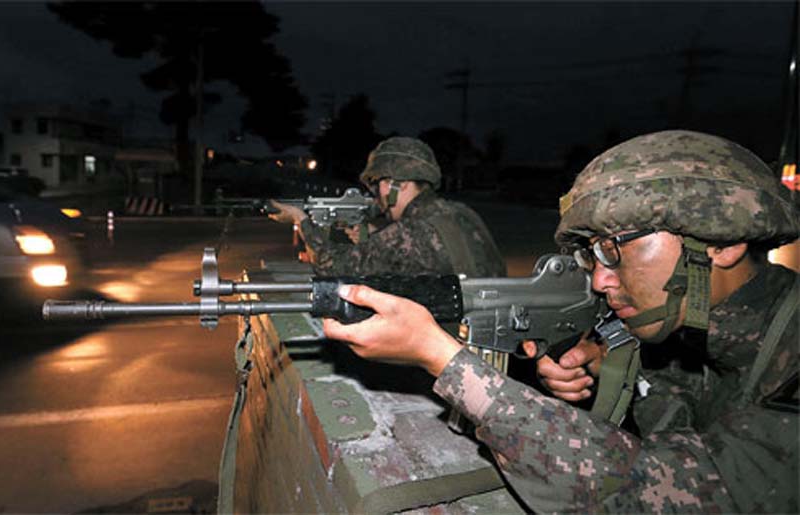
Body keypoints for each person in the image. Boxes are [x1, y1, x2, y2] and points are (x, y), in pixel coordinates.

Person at [322, 130, 799, 513]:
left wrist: (444, 361)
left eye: (614, 249)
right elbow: (683, 410)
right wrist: (612, 364)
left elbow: (647, 491)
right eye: (592, 255)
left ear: (720, 242)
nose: (600, 281)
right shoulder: (699, 333)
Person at [268, 136, 507, 278]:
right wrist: (377, 236)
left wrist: (301, 220)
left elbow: (330, 265)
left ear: (398, 184)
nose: (377, 193)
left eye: (379, 183)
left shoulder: (409, 232)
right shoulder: (462, 213)